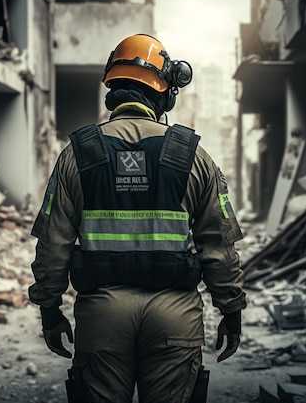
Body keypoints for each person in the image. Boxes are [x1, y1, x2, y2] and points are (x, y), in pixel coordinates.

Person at [28, 33, 247, 403]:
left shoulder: (77, 154)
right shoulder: (193, 155)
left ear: (112, 87)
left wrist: (50, 310)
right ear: (165, 93)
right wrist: (231, 310)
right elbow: (218, 245)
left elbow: (53, 243)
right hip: (175, 318)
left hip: (102, 318)